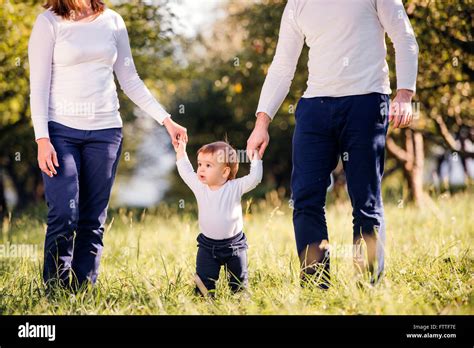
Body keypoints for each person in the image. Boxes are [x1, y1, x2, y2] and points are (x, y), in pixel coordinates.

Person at [246, 0, 419, 287]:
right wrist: (261, 122)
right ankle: (316, 285)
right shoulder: (297, 5)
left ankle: (368, 287)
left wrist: (404, 94)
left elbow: (404, 37)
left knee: (366, 201)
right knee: (305, 198)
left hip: (366, 102)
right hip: (315, 107)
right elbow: (282, 66)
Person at [28, 0, 187, 291]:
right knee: (64, 213)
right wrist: (42, 138)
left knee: (92, 218)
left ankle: (82, 291)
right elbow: (37, 85)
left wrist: (166, 120)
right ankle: (54, 290)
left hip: (106, 132)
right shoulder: (48, 22)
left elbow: (130, 79)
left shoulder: (112, 21)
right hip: (60, 131)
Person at [174, 140, 262, 295]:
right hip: (207, 247)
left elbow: (254, 179)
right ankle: (205, 304)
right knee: (203, 285)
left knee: (239, 284)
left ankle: (240, 305)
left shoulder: (235, 187)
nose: (201, 169)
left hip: (235, 246)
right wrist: (181, 150)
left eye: (208, 165)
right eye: (200, 164)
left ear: (225, 172)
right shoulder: (200, 186)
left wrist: (256, 159)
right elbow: (185, 171)